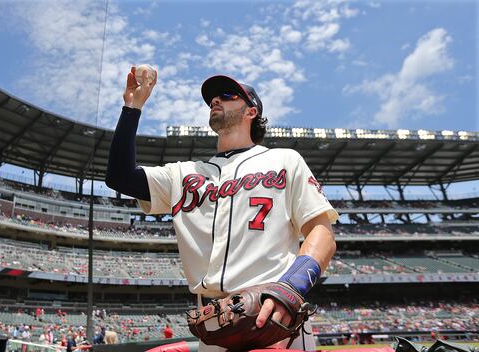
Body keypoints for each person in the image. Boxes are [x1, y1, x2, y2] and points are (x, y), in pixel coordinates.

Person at [106, 67, 338, 351]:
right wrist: (133, 106)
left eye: (227, 95)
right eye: (212, 98)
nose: (216, 100)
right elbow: (119, 177)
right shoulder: (185, 174)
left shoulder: (284, 160)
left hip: (274, 317)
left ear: (251, 111)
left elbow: (321, 232)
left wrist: (292, 286)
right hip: (214, 326)